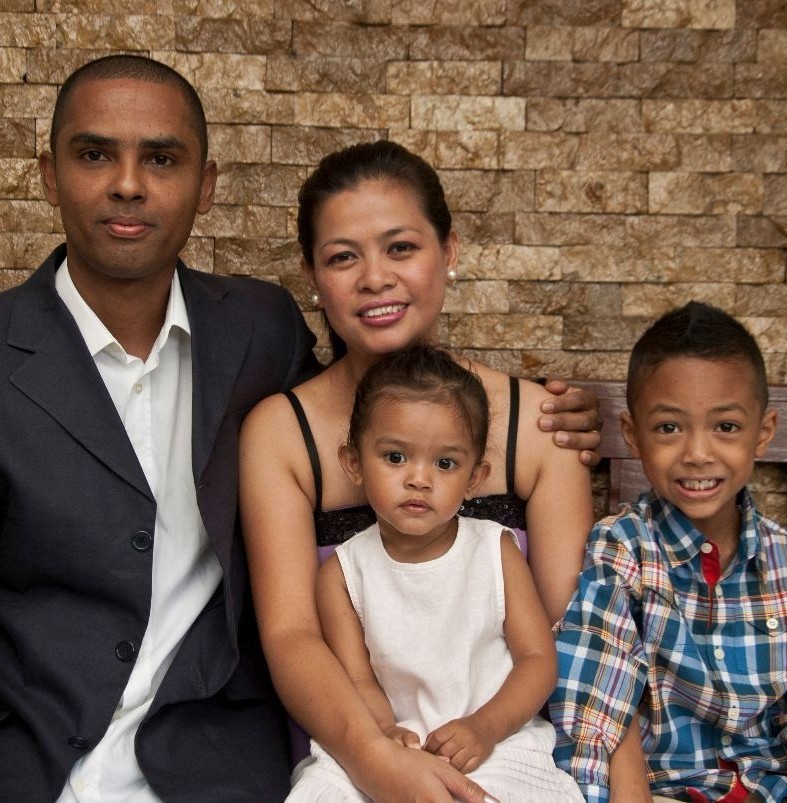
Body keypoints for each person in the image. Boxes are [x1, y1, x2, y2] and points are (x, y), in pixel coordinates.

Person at [0, 54, 322, 801]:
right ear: (47, 174)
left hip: (215, 763)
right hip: (26, 762)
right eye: (95, 152)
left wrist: (520, 420)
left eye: (161, 158)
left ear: (206, 185)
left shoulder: (262, 330)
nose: (128, 183)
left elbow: (360, 431)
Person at [240, 140, 596, 801]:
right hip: (352, 745)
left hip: (502, 742)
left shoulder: (536, 425)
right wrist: (375, 756)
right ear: (312, 275)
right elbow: (290, 632)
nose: (375, 277)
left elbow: (571, 633)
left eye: (400, 247)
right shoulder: (282, 434)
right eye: (343, 256)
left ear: (448, 251)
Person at [288, 344, 586, 802]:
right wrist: (387, 736)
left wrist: (485, 728)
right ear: (354, 463)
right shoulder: (343, 574)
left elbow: (537, 661)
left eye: (445, 463)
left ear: (473, 477)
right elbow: (358, 679)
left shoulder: (494, 550)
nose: (419, 479)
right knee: (322, 791)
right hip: (387, 743)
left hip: (495, 741)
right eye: (394, 457)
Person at [550, 301, 787, 803]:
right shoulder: (621, 550)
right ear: (634, 435)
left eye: (725, 427)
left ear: (762, 434)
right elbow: (596, 702)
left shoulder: (782, 560)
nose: (697, 453)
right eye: (669, 428)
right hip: (666, 791)